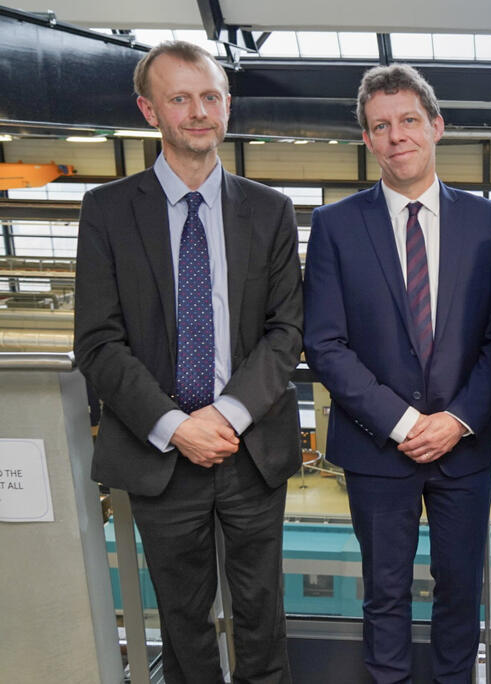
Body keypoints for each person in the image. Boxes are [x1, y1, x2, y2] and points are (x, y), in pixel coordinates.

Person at [74, 41, 303, 683]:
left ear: (227, 106)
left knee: (263, 615)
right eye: (180, 98)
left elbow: (286, 333)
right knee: (182, 622)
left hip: (250, 448)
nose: (198, 112)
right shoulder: (108, 211)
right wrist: (177, 426)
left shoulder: (271, 210)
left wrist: (225, 416)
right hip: (160, 456)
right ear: (150, 111)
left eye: (210, 97)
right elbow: (96, 341)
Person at [303, 64, 491, 683]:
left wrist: (457, 420)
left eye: (409, 121)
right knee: (384, 594)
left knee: (459, 595)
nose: (397, 136)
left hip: (463, 447)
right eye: (381, 126)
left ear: (437, 127)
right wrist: (401, 421)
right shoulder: (337, 225)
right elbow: (326, 343)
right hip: (376, 449)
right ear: (367, 140)